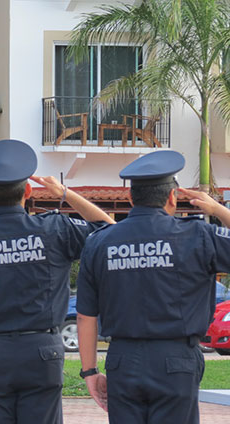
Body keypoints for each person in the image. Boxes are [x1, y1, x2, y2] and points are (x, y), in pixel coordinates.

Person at [0, 139, 115, 424]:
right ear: (28, 191)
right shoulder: (55, 228)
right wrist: (65, 193)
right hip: (42, 351)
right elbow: (108, 230)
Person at [76, 150, 230, 424]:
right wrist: (217, 209)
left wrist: (89, 371)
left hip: (123, 359)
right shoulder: (197, 235)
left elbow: (85, 314)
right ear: (172, 197)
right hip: (176, 360)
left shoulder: (100, 242)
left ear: (131, 198)